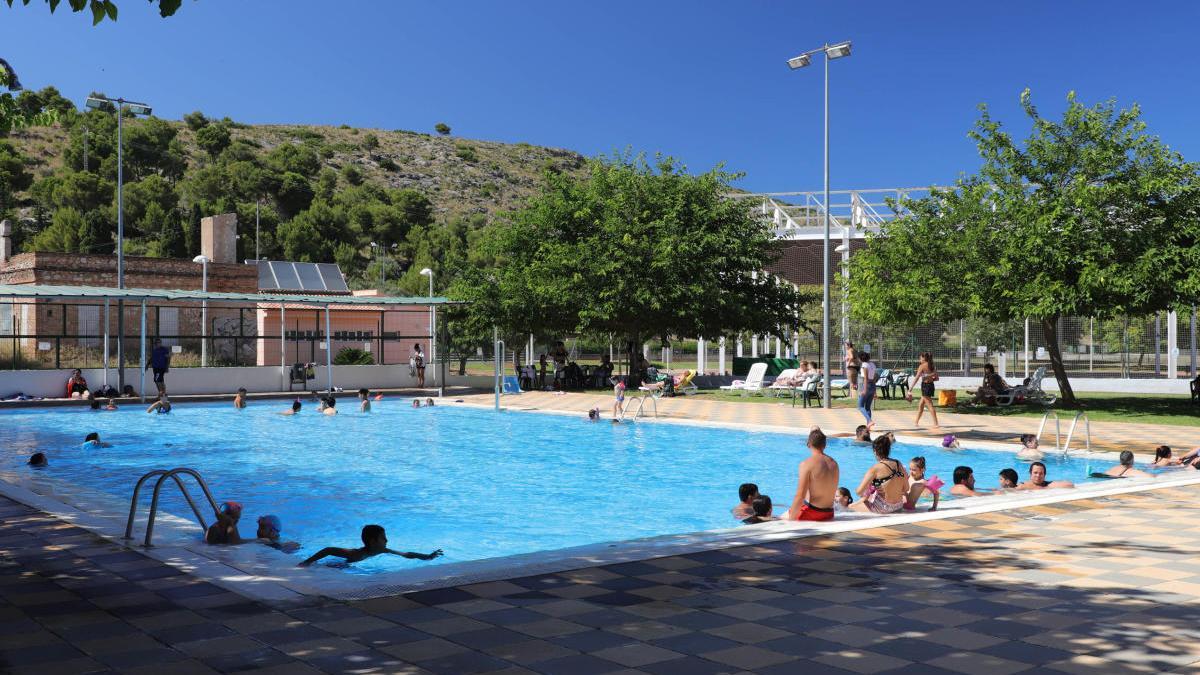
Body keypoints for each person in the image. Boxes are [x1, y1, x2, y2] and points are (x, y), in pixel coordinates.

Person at [298, 524, 442, 567]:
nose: (387, 540)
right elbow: (328, 550)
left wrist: (428, 557)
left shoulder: (381, 550)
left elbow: (406, 554)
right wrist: (307, 562)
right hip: (340, 564)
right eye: (383, 538)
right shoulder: (356, 554)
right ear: (373, 542)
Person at [785, 428, 839, 521]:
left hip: (813, 513)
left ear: (808, 444)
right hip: (829, 513)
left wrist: (791, 521)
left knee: (782, 517)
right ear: (825, 445)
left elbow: (800, 496)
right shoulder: (834, 464)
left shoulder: (806, 464)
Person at [851, 436, 908, 514]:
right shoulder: (898, 464)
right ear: (889, 450)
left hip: (883, 508)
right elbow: (906, 488)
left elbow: (859, 492)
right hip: (899, 506)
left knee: (850, 507)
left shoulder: (874, 469)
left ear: (875, 451)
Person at [907, 352, 941, 428]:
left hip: (926, 386)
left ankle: (936, 423)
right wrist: (929, 376)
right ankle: (916, 422)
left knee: (929, 405)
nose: (919, 359)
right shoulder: (932, 365)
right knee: (921, 405)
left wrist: (910, 389)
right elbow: (937, 378)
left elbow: (916, 378)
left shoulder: (922, 366)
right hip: (931, 385)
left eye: (920, 358)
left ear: (924, 358)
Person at [857, 352, 877, 425]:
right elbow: (874, 378)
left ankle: (870, 420)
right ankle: (869, 424)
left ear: (861, 358)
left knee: (860, 406)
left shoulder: (864, 365)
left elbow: (865, 378)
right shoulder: (872, 364)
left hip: (866, 385)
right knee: (868, 407)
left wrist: (864, 390)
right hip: (872, 386)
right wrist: (875, 391)